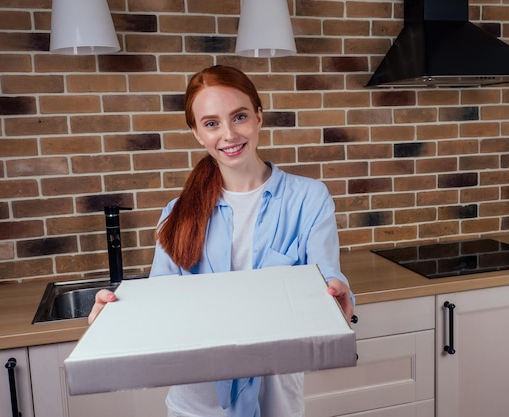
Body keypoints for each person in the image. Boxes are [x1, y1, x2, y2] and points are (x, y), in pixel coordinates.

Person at [89, 65, 354, 417]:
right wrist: (115, 319)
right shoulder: (177, 212)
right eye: (211, 123)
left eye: (239, 116)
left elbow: (327, 279)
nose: (228, 134)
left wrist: (337, 296)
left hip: (276, 401)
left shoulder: (308, 199)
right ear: (197, 133)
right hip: (196, 405)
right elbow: (160, 303)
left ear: (259, 117)